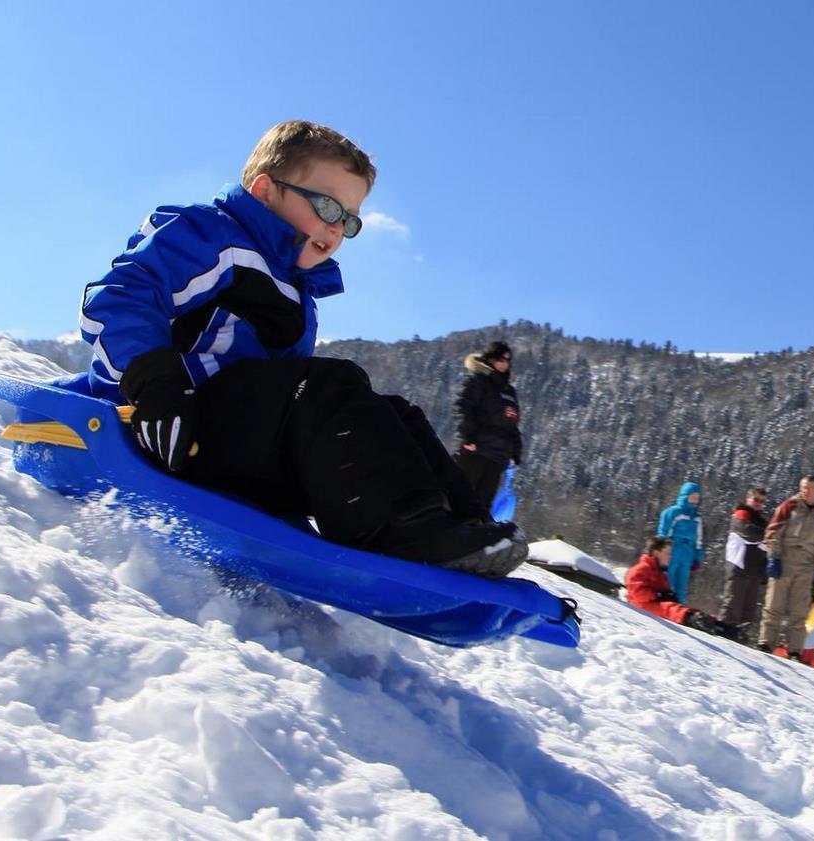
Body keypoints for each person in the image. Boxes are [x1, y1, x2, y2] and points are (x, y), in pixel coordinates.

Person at [79, 120, 524, 576]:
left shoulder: (296, 291)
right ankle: (398, 532)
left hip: (234, 443)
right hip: (166, 423)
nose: (337, 229)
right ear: (265, 190)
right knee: (330, 383)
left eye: (349, 219)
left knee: (395, 412)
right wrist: (154, 385)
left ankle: (462, 527)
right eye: (329, 207)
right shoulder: (212, 234)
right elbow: (122, 294)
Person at [759, 475, 814, 658]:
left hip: (806, 565)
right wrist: (774, 557)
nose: (806, 491)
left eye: (810, 488)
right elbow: (774, 532)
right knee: (774, 604)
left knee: (799, 611)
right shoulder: (789, 507)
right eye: (804, 487)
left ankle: (794, 650)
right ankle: (766, 643)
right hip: (786, 559)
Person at [451, 340, 522, 512]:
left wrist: (516, 450)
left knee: (483, 504)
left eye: (507, 360)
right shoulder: (479, 380)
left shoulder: (509, 391)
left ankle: (476, 534)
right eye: (500, 359)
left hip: (499, 456)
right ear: (490, 360)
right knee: (460, 496)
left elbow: (512, 423)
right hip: (477, 447)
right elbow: (463, 407)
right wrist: (468, 435)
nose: (504, 364)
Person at [626, 537, 725, 634]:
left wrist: (669, 595)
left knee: (672, 607)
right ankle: (693, 619)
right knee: (668, 608)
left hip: (655, 605)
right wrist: (658, 595)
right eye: (667, 554)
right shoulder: (640, 569)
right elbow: (636, 593)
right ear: (656, 552)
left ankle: (719, 625)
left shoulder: (661, 573)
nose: (670, 557)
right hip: (639, 607)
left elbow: (664, 595)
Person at [718, 488, 770, 639]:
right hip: (738, 565)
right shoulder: (741, 514)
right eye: (756, 500)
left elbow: (767, 545)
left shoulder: (761, 522)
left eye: (762, 501)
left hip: (754, 570)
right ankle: (724, 631)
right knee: (732, 603)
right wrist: (768, 535)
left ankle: (741, 636)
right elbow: (750, 535)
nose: (759, 504)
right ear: (748, 499)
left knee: (748, 610)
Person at [655, 482, 705, 603]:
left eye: (697, 497)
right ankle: (665, 605)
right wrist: (660, 554)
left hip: (687, 553)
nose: (695, 500)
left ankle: (679, 610)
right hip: (673, 551)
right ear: (685, 495)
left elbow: (698, 540)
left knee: (681, 586)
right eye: (693, 496)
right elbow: (663, 533)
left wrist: (697, 557)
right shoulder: (673, 512)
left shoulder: (697, 518)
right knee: (668, 581)